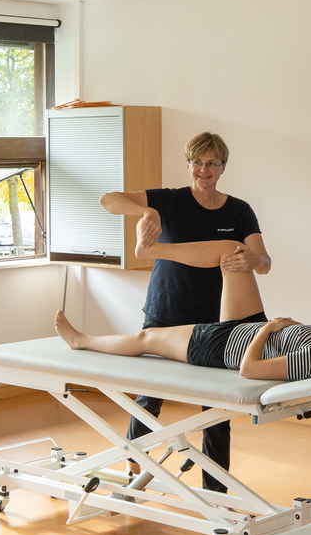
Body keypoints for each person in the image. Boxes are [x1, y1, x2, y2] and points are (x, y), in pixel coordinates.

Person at [100, 132, 270, 492]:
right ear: (189, 164)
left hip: (215, 321)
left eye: (211, 163)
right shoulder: (170, 201)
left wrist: (255, 259)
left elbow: (265, 262)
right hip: (168, 307)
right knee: (150, 394)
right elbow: (109, 199)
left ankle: (216, 489)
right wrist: (145, 211)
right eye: (197, 162)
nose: (203, 170)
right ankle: (135, 461)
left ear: (223, 167)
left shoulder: (238, 210)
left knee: (216, 409)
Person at [52, 237, 311, 380]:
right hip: (248, 326)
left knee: (146, 337)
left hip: (220, 345)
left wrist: (268, 330)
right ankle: (153, 250)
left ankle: (81, 341)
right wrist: (281, 327)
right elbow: (295, 340)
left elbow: (250, 370)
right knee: (234, 252)